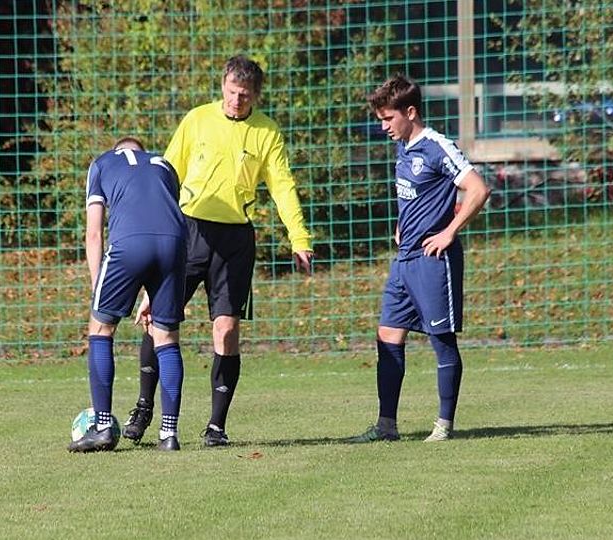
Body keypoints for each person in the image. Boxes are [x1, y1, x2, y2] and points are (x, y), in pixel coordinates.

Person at [124, 55, 314, 447]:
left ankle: (216, 426)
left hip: (235, 243)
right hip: (188, 231)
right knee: (160, 320)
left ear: (256, 95)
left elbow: (282, 186)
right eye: (231, 92)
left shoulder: (267, 133)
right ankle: (143, 408)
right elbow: (166, 175)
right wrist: (154, 227)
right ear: (222, 86)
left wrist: (299, 238)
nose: (236, 100)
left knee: (226, 330)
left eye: (244, 95)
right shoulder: (197, 120)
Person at [351, 75, 491, 443]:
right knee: (387, 334)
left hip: (433, 260)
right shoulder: (404, 147)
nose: (384, 127)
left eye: (388, 118)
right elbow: (415, 195)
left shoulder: (437, 147)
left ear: (410, 112)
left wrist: (449, 232)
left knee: (441, 340)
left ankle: (443, 425)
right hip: (405, 261)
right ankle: (386, 426)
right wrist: (402, 225)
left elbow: (478, 189)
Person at [68, 137, 187, 453]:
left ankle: (103, 427)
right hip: (175, 245)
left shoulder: (102, 163)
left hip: (129, 244)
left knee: (101, 328)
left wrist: (99, 287)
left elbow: (94, 232)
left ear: (118, 150)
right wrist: (150, 291)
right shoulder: (164, 165)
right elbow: (161, 217)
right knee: (166, 337)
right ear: (141, 152)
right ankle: (169, 434)